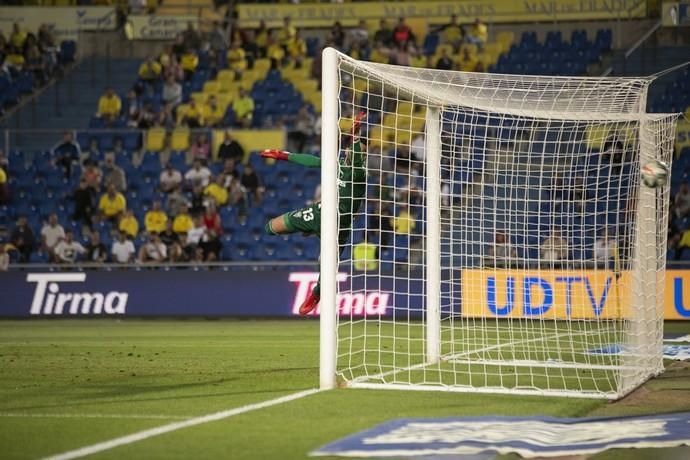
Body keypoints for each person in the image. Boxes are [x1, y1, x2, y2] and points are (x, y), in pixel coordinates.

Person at [261, 112, 367, 315]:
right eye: (350, 150)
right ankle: (307, 230)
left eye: (357, 152)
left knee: (326, 268)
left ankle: (316, 293)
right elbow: (311, 161)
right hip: (320, 213)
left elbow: (355, 146)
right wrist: (283, 155)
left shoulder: (359, 174)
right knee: (270, 227)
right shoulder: (336, 167)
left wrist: (355, 130)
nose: (349, 152)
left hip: (339, 227)